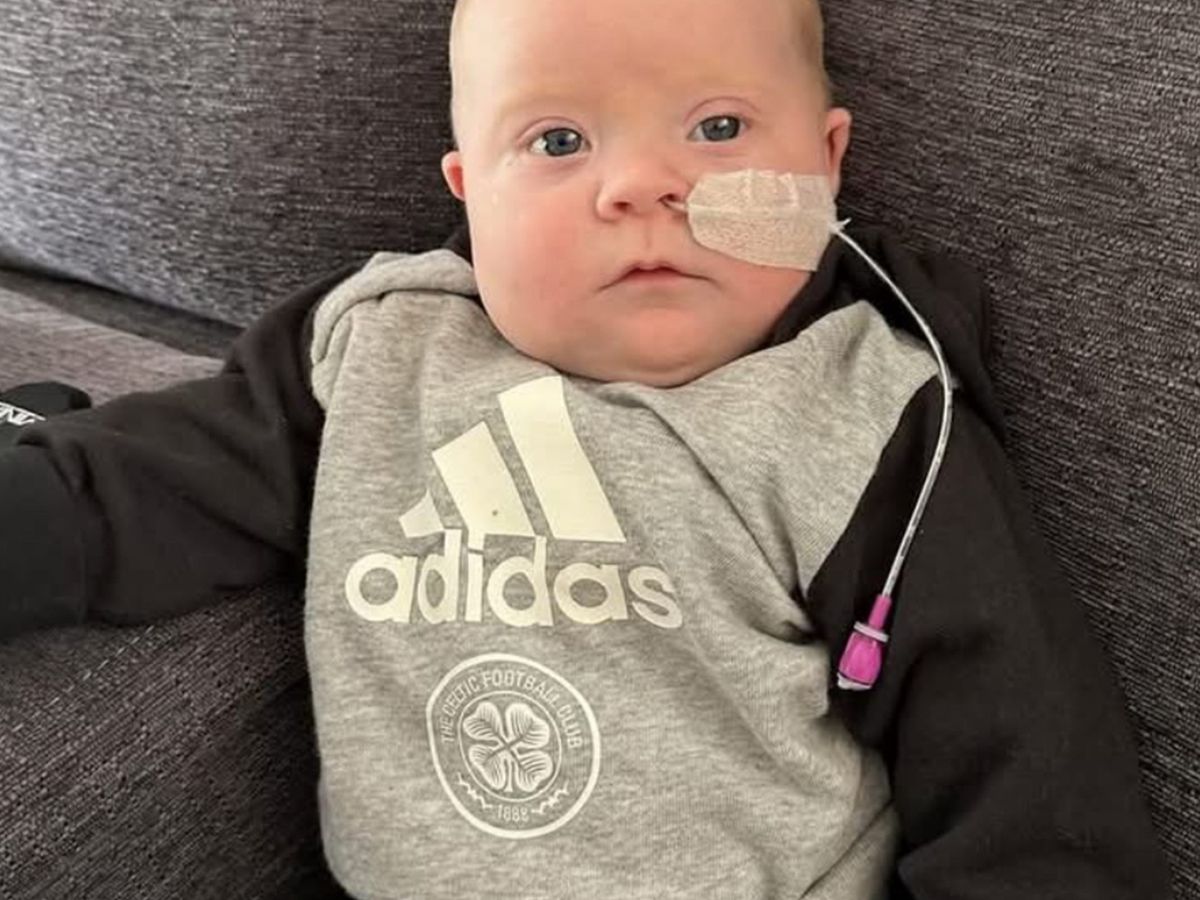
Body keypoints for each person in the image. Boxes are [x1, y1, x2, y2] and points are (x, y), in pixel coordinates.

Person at [0, 0, 1171, 897]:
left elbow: (1034, 774)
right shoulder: (382, 353)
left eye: (718, 128)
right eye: (558, 140)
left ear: (824, 165)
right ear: (471, 192)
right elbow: (139, 487)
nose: (643, 185)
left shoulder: (865, 419)